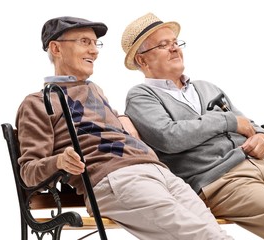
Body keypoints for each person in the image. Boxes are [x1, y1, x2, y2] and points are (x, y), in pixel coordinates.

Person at [121, 13, 264, 240]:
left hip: (262, 168)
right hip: (219, 181)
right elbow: (170, 137)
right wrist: (227, 121)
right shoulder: (142, 96)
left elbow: (248, 124)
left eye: (175, 42)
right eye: (163, 45)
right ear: (142, 60)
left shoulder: (206, 87)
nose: (174, 49)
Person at [15, 16, 234, 240]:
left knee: (215, 233)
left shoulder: (96, 91)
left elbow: (101, 129)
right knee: (204, 236)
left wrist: (123, 120)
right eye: (84, 41)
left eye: (95, 43)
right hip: (116, 180)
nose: (94, 51)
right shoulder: (38, 103)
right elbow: (29, 173)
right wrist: (59, 162)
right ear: (56, 48)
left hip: (160, 173)